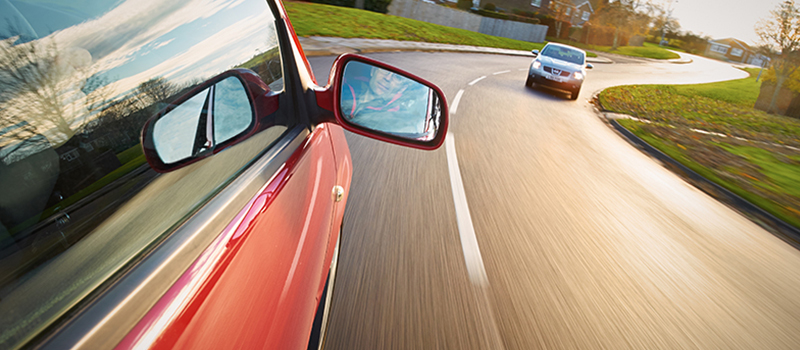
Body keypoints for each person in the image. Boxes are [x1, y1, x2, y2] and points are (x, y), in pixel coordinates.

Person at [340, 62, 429, 136]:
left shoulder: (397, 117)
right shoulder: (343, 86)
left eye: (397, 77)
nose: (387, 78)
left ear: (402, 88)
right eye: (384, 71)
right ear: (373, 71)